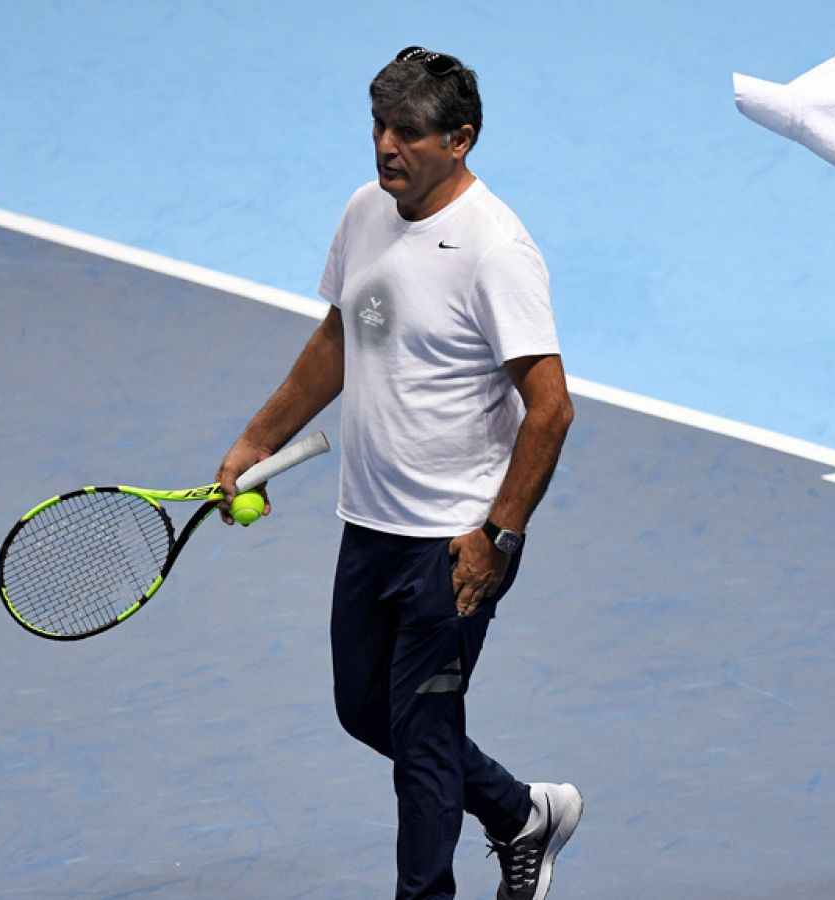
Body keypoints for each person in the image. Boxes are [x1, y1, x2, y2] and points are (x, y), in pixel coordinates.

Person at [215, 46, 580, 900]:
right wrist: (256, 440)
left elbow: (552, 409)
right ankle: (522, 810)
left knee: (420, 751)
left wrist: (495, 537)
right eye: (380, 126)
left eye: (407, 132)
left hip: (453, 547)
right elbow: (346, 335)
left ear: (460, 139)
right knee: (363, 711)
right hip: (370, 524)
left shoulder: (496, 251)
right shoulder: (367, 214)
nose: (386, 146)